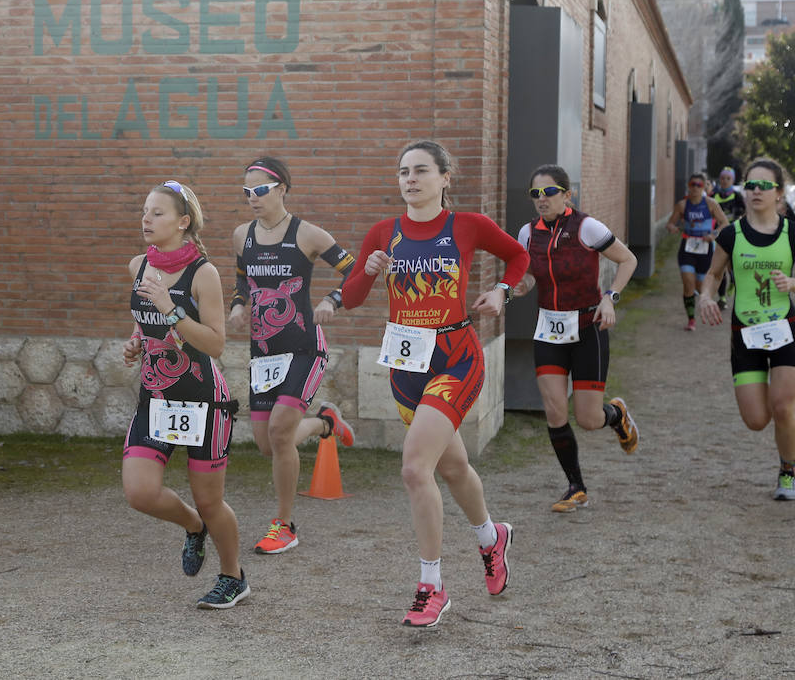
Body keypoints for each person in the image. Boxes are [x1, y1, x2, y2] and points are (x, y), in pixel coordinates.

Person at [342, 140, 530, 628]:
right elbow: (353, 298)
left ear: (446, 178)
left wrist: (502, 291)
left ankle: (432, 586)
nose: (410, 179)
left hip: (455, 358)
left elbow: (517, 257)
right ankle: (492, 538)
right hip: (405, 366)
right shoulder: (384, 233)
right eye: (403, 171)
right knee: (452, 467)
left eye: (422, 170)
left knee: (413, 469)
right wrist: (366, 270)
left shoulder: (466, 225)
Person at [122, 180, 249, 609]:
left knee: (211, 500)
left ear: (183, 221)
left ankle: (233, 577)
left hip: (203, 402)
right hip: (155, 399)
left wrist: (169, 307)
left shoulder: (204, 273)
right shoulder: (138, 265)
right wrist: (137, 340)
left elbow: (215, 344)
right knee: (139, 492)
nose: (146, 219)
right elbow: (144, 321)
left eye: (157, 213)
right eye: (144, 211)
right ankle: (193, 527)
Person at [228, 156, 356, 556]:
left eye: (260, 190)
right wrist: (237, 305)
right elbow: (242, 280)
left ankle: (284, 525)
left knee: (282, 432)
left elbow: (355, 273)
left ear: (282, 188)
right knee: (268, 444)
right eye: (247, 192)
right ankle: (323, 424)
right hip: (264, 353)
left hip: (304, 347)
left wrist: (332, 301)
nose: (253, 198)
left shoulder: (309, 235)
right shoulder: (241, 235)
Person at [512, 165, 640, 513]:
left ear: (567, 195)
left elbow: (628, 259)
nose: (542, 200)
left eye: (549, 192)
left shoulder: (586, 227)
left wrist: (610, 297)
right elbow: (527, 275)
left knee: (588, 419)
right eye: (535, 194)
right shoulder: (527, 234)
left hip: (587, 328)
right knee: (554, 410)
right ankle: (575, 487)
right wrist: (520, 286)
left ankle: (616, 414)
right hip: (549, 329)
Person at [698, 158, 795, 501]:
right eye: (750, 185)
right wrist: (706, 298)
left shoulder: (793, 233)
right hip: (746, 335)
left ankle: (788, 472)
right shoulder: (731, 234)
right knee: (756, 419)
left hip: (786, 330)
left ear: (778, 194)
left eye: (764, 186)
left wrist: (793, 283)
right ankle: (780, 427)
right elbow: (712, 275)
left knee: (783, 406)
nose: (755, 191)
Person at [665, 173, 730, 330]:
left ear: (703, 187)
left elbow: (724, 223)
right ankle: (691, 320)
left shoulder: (711, 204)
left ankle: (701, 301)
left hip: (705, 249)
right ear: (688, 185)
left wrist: (713, 235)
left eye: (699, 185)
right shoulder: (682, 205)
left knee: (701, 287)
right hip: (687, 248)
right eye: (692, 184)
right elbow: (670, 223)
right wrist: (672, 228)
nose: (695, 188)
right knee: (688, 284)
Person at [711, 167, 746, 310]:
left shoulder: (737, 196)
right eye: (722, 178)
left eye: (728, 179)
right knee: (720, 267)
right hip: (718, 234)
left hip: (734, 233)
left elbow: (745, 214)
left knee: (731, 265)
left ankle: (733, 280)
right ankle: (722, 297)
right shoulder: (713, 195)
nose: (724, 181)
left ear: (732, 180)